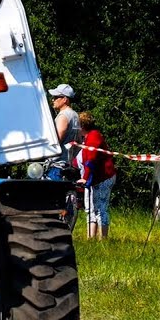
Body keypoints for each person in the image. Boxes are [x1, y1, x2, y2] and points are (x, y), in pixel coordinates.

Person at [77, 111, 117, 240]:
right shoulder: (88, 137)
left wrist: (85, 177)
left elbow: (91, 159)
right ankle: (91, 238)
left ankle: (103, 239)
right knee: (92, 209)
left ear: (82, 125)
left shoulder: (94, 136)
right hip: (96, 178)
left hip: (104, 178)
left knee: (101, 209)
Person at [49, 83, 80, 165]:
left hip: (59, 163)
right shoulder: (75, 115)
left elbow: (56, 141)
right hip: (71, 162)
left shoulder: (63, 116)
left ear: (65, 99)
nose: (53, 100)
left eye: (56, 97)